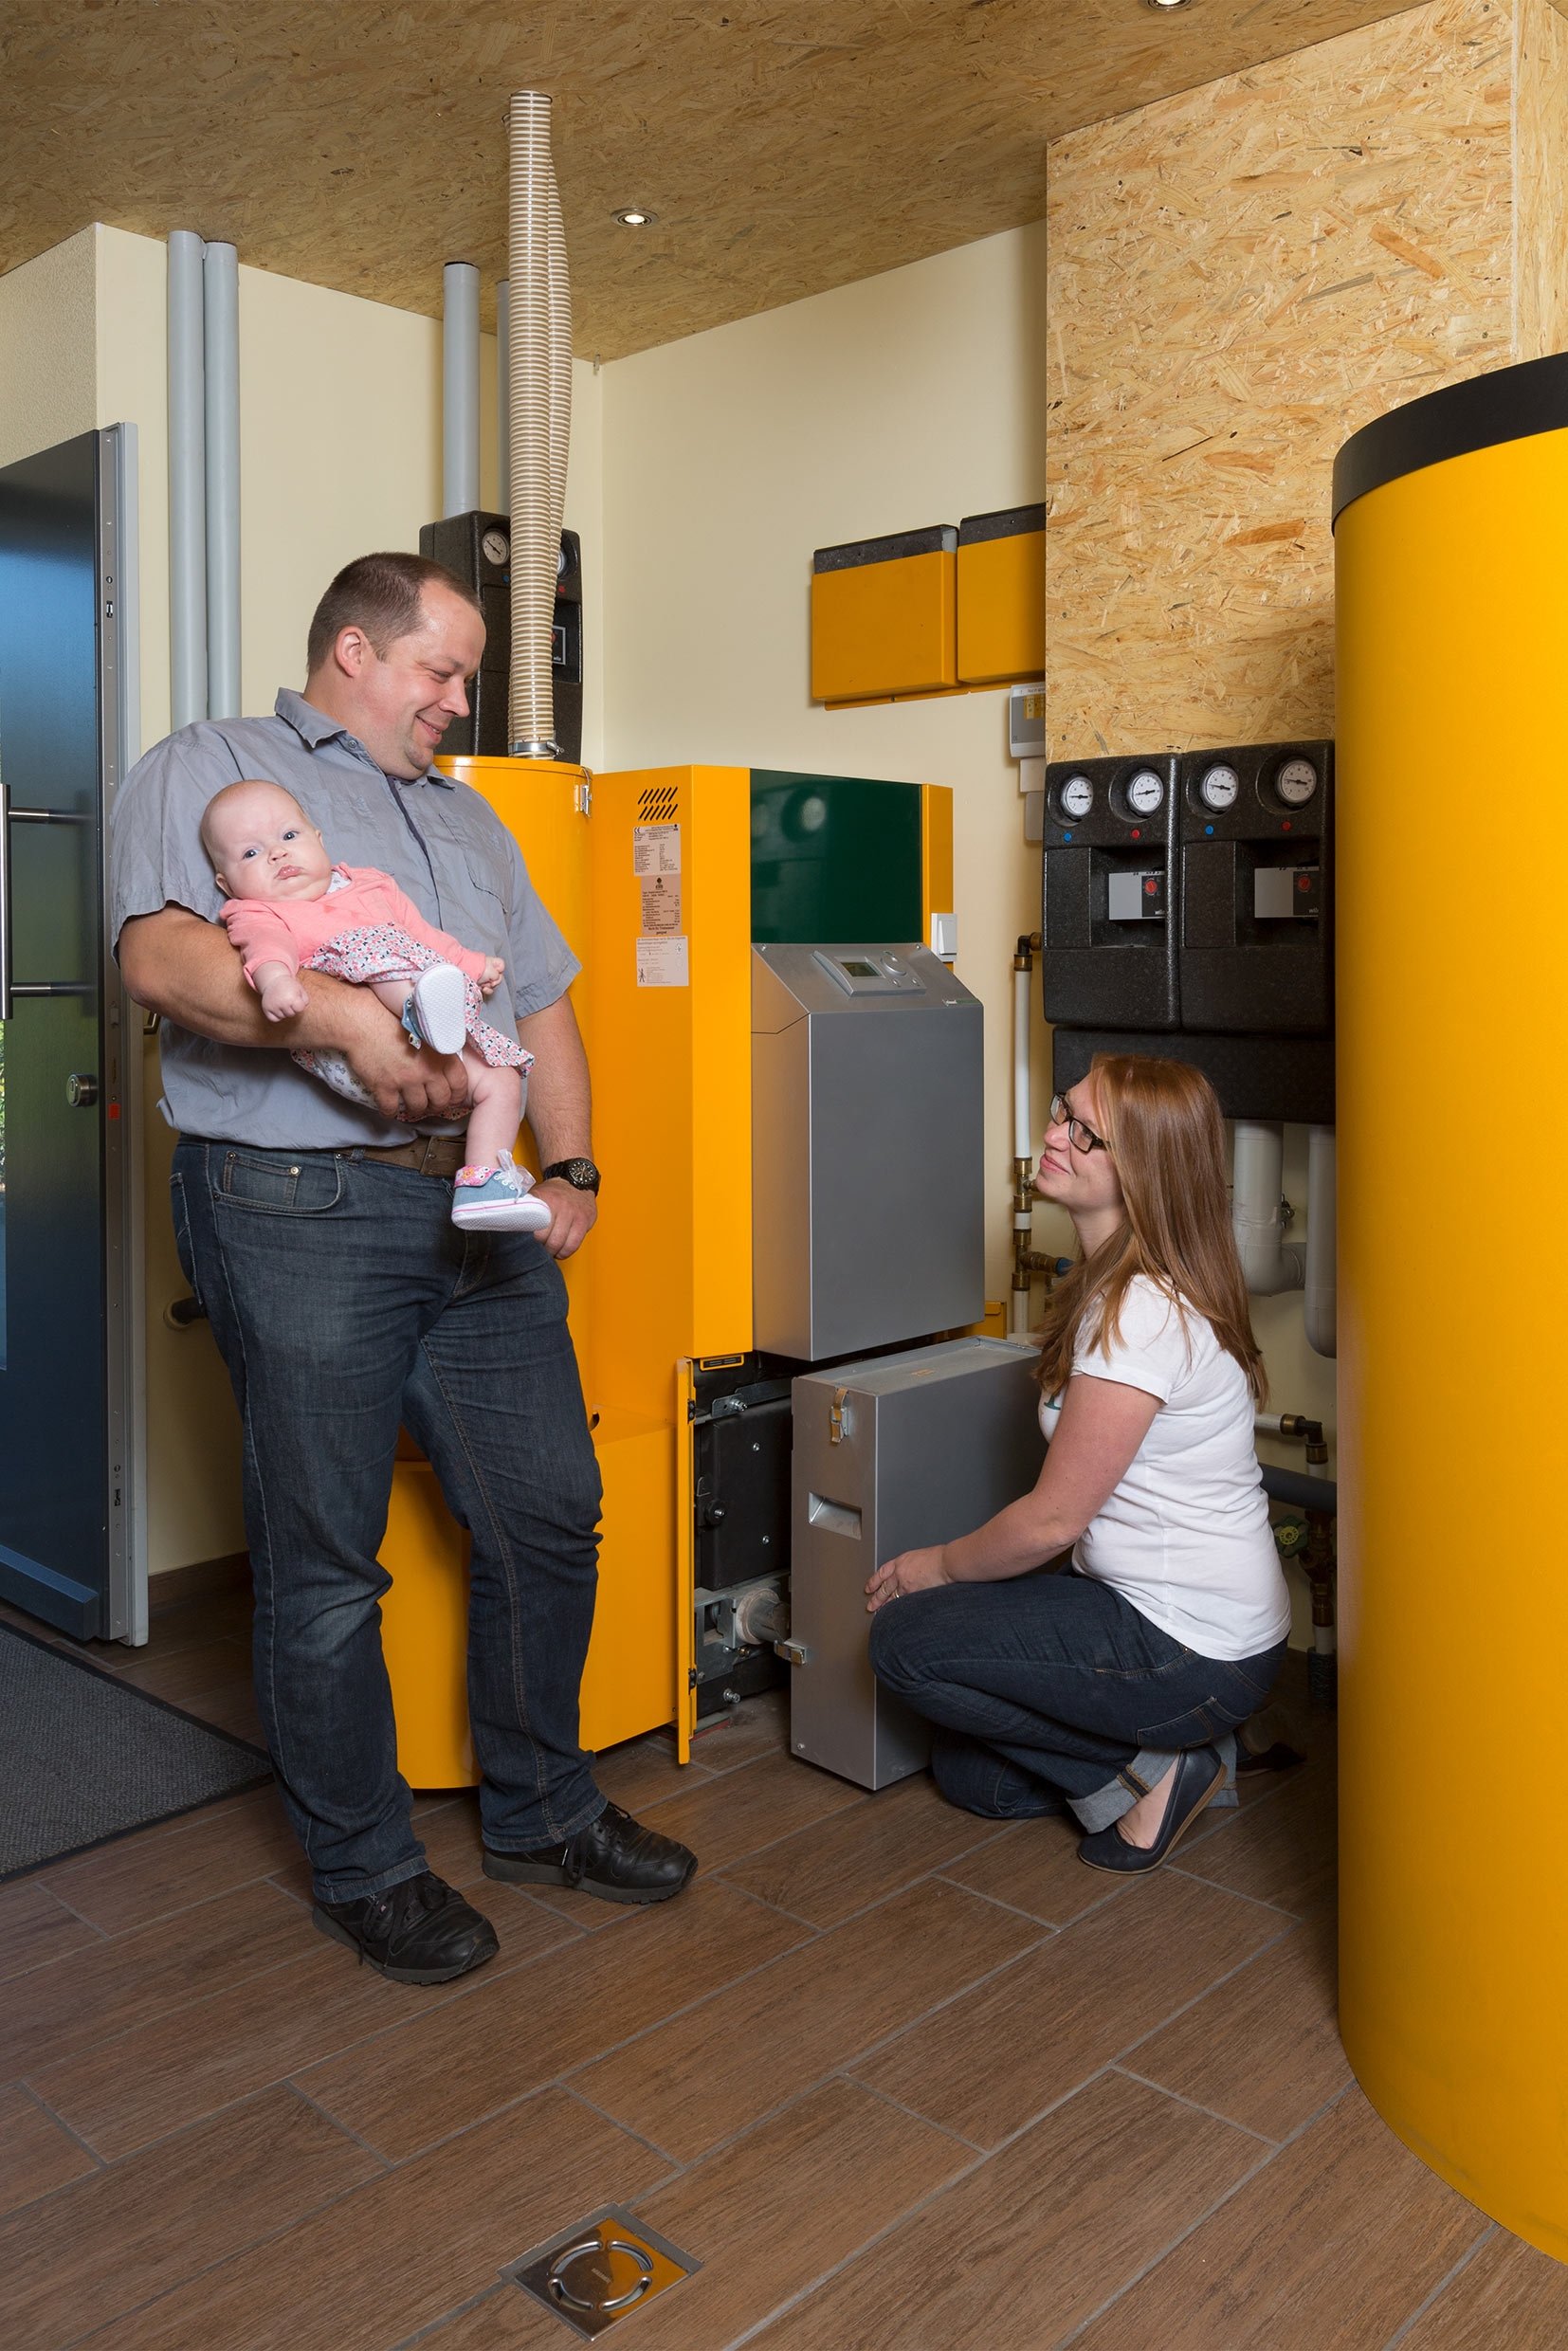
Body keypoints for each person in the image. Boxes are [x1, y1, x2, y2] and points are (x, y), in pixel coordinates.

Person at [114, 550, 697, 1986]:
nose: (457, 698)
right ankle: (367, 1868)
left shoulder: (468, 818)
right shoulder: (213, 766)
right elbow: (161, 960)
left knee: (551, 1512)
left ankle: (544, 1814)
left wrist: (571, 1169)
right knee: (326, 1561)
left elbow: (540, 1002)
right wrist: (348, 1026)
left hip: (478, 1212)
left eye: (466, 676)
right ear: (355, 653)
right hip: (297, 1203)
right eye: (442, 668)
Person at [866, 1056, 1289, 1875]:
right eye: (1064, 1112)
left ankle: (1158, 1773)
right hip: (1169, 1618)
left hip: (1189, 1646)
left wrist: (936, 1567)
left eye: (1084, 1133)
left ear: (1143, 1172)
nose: (1054, 1136)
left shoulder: (1141, 1313)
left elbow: (1053, 1521)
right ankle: (1195, 1750)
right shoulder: (1121, 1280)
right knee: (974, 1778)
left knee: (904, 1644)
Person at [202, 776, 548, 1231]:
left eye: (289, 835)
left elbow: (424, 937)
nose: (277, 854)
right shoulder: (259, 911)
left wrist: (472, 964)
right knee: (375, 949)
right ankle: (420, 1011)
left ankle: (482, 1188)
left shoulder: (371, 885)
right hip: (360, 1056)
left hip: (433, 1041)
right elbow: (264, 949)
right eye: (251, 852)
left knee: (502, 1079)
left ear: (319, 840)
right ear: (226, 884)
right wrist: (277, 982)